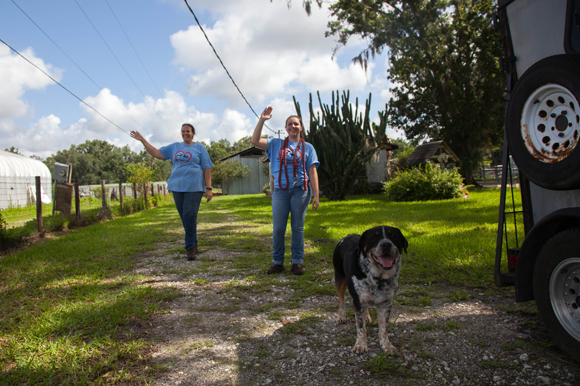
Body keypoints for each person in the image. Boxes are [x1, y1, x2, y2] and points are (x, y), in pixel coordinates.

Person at [251, 106, 320, 275]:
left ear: (300, 127)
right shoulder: (275, 143)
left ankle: (297, 262)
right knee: (279, 228)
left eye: (296, 124)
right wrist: (262, 120)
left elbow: (312, 171)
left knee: (297, 227)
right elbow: (255, 140)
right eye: (289, 124)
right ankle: (277, 261)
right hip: (280, 191)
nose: (293, 126)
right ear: (286, 127)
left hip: (300, 191)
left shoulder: (308, 147)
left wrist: (316, 194)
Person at [130, 124, 213, 261]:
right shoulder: (174, 147)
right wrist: (143, 141)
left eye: (188, 131)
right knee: (184, 218)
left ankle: (190, 248)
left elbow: (207, 168)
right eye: (183, 131)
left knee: (189, 215)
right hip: (177, 187)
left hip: (194, 187)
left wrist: (208, 188)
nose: (185, 133)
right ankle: (193, 241)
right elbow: (157, 153)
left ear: (193, 133)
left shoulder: (200, 148)